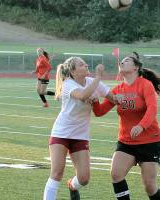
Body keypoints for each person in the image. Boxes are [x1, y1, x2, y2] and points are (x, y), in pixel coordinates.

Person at [92, 52, 160, 200]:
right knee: (116, 174)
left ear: (136, 68)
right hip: (126, 141)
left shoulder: (145, 85)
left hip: (149, 141)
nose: (122, 62)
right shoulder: (117, 90)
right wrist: (94, 101)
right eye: (121, 61)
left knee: (150, 187)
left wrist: (141, 126)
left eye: (126, 61)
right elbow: (100, 112)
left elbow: (153, 108)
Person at [43, 57, 113, 200]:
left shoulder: (92, 82)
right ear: (73, 72)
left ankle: (72, 186)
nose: (86, 65)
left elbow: (113, 98)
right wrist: (98, 77)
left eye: (85, 63)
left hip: (80, 135)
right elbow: (82, 95)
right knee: (57, 172)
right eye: (81, 64)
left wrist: (128, 97)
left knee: (84, 178)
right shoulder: (68, 83)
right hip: (61, 134)